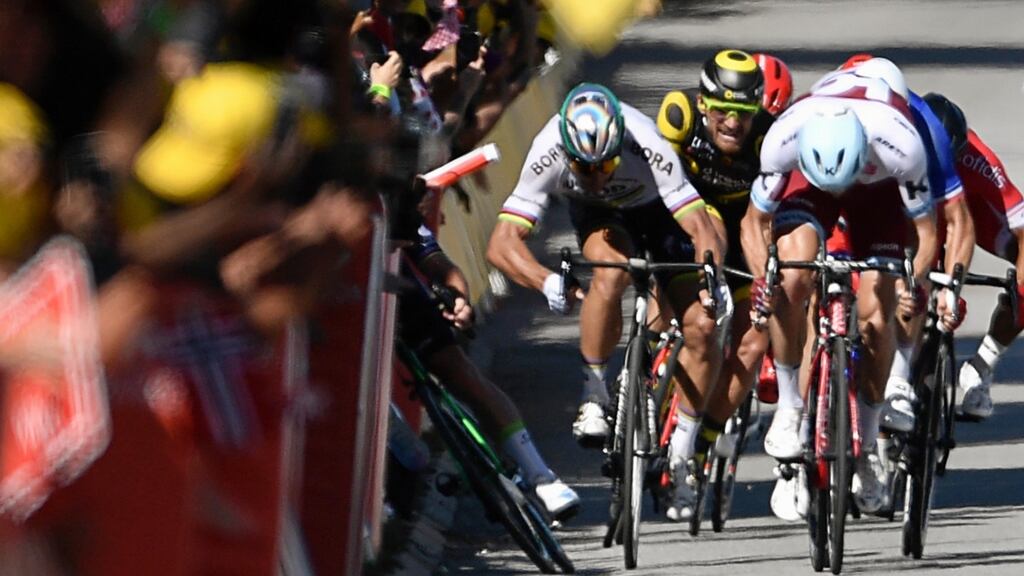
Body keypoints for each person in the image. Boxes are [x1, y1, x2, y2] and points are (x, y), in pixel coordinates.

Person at [486, 82, 725, 519]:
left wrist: (712, 279)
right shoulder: (548, 149)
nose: (597, 177)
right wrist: (545, 282)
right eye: (583, 167)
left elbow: (700, 226)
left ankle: (682, 453)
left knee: (703, 328)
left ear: (619, 147)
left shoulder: (646, 142)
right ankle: (594, 393)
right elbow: (501, 243)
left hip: (659, 211)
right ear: (567, 152)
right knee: (611, 271)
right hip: (600, 217)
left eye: (607, 164)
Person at [740, 60, 939, 514]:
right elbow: (754, 222)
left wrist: (914, 280)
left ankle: (866, 445)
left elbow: (926, 234)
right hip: (809, 184)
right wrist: (762, 280)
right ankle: (790, 407)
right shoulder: (785, 137)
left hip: (879, 192)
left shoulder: (901, 144)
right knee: (792, 275)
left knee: (876, 312)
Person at [655, 48, 779, 520]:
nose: (732, 123)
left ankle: (699, 443)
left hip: (743, 227)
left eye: (743, 113)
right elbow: (653, 190)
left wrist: (767, 281)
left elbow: (762, 220)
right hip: (682, 218)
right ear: (703, 104)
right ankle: (642, 368)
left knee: (754, 337)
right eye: (723, 110)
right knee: (670, 295)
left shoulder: (768, 138)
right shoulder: (679, 116)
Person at [920, 93, 1024, 420]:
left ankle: (980, 368)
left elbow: (1021, 227)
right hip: (919, 208)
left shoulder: (979, 161)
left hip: (970, 210)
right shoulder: (899, 146)